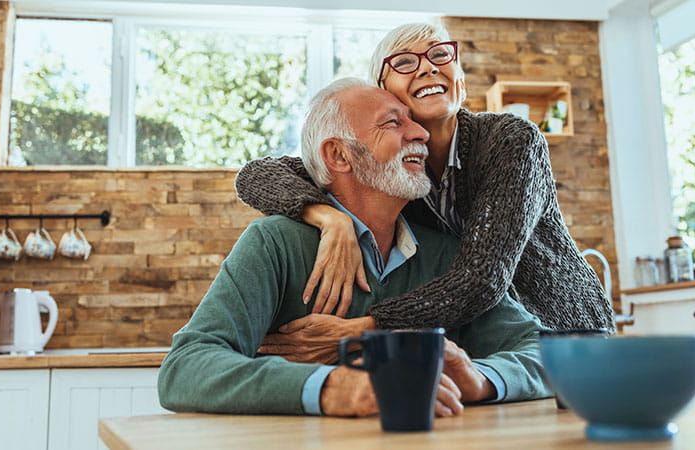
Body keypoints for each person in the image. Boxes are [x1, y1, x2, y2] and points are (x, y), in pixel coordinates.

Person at [158, 78, 552, 417]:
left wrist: (479, 379)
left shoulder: (446, 255)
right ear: (339, 155)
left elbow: (544, 354)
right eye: (393, 123)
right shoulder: (274, 243)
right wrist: (335, 387)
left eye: (413, 121)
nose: (421, 134)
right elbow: (186, 368)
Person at [234, 23, 614, 355]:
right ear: (383, 92)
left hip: (563, 334)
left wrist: (362, 329)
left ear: (459, 80)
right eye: (404, 62)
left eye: (439, 55)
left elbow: (482, 278)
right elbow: (256, 175)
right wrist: (330, 218)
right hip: (482, 344)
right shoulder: (388, 168)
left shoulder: (510, 141)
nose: (428, 66)